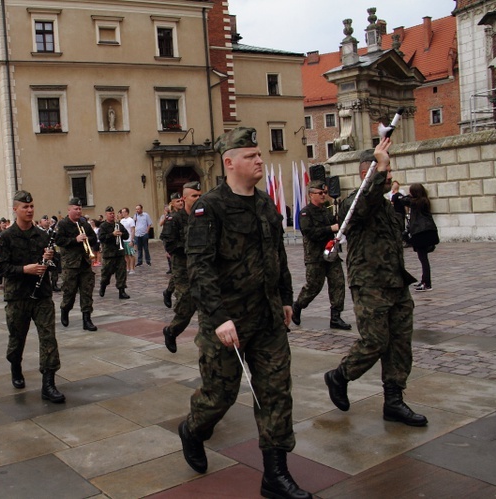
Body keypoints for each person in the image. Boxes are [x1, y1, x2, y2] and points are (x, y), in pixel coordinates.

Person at [178, 128, 311, 499]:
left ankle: (275, 475)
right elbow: (199, 270)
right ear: (230, 162)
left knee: (275, 392)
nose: (259, 160)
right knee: (220, 394)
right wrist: (218, 317)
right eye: (251, 155)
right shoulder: (210, 206)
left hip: (267, 319)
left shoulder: (267, 204)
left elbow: (278, 256)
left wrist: (286, 298)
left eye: (259, 154)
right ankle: (193, 429)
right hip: (227, 321)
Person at [324, 140, 427, 428]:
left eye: (390, 169)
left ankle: (394, 401)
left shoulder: (388, 208)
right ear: (366, 173)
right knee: (375, 342)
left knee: (399, 344)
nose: (390, 174)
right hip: (369, 284)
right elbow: (361, 208)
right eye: (385, 169)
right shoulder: (353, 202)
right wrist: (379, 167)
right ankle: (340, 376)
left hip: (395, 283)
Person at [0, 191, 65, 403]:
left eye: (31, 206)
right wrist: (25, 269)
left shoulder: (43, 236)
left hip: (41, 295)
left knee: (48, 337)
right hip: (17, 296)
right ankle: (16, 366)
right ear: (15, 209)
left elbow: (56, 265)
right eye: (25, 207)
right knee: (17, 338)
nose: (30, 210)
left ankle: (49, 383)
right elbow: (0, 266)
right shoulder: (6, 237)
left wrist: (51, 259)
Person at [292, 180, 352, 331]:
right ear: (311, 194)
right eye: (320, 193)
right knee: (313, 286)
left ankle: (336, 317)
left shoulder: (326, 210)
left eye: (325, 192)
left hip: (330, 254)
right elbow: (309, 232)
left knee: (338, 283)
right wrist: (330, 228)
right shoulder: (305, 212)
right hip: (315, 257)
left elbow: (336, 226)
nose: (324, 195)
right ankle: (298, 306)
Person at [161, 181, 202, 353]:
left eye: (200, 195)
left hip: (202, 267)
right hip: (183, 268)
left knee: (207, 303)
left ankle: (208, 342)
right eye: (194, 196)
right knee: (186, 304)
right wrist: (189, 247)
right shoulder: (175, 219)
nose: (198, 199)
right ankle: (171, 331)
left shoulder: (202, 215)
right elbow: (169, 243)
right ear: (184, 198)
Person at [56, 198, 98, 331]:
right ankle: (65, 310)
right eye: (76, 209)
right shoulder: (63, 224)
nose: (79, 211)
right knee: (69, 292)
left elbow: (94, 239)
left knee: (87, 292)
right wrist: (75, 239)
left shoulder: (84, 224)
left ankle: (87, 319)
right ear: (69, 210)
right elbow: (59, 240)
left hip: (85, 263)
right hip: (70, 264)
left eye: (80, 209)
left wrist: (87, 238)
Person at [403, 183, 439, 292]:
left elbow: (403, 200)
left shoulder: (418, 202)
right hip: (424, 232)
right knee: (423, 259)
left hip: (421, 233)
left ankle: (426, 283)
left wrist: (408, 196)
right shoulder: (423, 200)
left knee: (423, 259)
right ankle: (425, 281)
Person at [97, 206, 130, 300]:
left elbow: (127, 235)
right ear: (106, 215)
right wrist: (112, 234)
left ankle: (121, 291)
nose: (112, 215)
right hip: (109, 254)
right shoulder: (103, 226)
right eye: (110, 214)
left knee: (121, 273)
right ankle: (103, 286)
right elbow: (102, 238)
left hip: (119, 253)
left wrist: (121, 234)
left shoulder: (118, 225)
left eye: (113, 213)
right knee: (106, 274)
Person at [161, 194, 182, 308]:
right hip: (177, 252)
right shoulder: (171, 218)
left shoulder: (187, 215)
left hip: (189, 252)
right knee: (177, 275)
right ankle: (169, 292)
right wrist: (168, 250)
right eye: (177, 201)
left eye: (181, 200)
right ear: (172, 204)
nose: (180, 203)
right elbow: (166, 237)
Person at [119, 207, 136, 274]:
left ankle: (132, 268)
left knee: (131, 254)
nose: (122, 213)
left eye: (123, 212)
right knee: (125, 255)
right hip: (123, 240)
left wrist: (132, 240)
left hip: (129, 239)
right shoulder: (122, 221)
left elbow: (133, 230)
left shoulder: (130, 220)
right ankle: (128, 267)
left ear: (126, 212)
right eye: (122, 212)